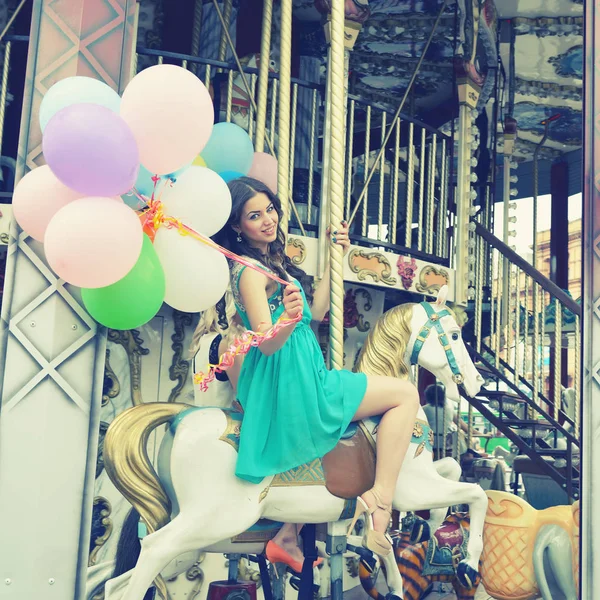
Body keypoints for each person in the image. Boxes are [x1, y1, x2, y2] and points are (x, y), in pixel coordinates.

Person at [214, 176, 420, 559]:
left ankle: (291, 533)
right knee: (406, 395)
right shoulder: (251, 273)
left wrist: (334, 257)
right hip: (291, 382)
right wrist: (289, 319)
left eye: (270, 210)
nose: (267, 220)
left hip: (309, 374)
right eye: (254, 216)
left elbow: (318, 313)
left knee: (398, 394)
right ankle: (381, 499)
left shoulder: (274, 264)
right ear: (237, 227)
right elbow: (269, 343)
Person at [422, 383, 469, 457]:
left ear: (427, 396)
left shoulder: (424, 409)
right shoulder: (449, 410)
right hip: (447, 444)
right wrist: (481, 434)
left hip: (430, 443)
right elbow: (466, 428)